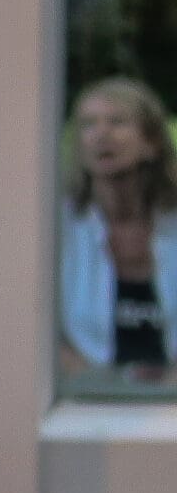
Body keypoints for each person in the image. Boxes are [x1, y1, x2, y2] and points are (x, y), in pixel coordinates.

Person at [63, 75, 177, 380]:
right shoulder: (60, 231)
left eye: (117, 122)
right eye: (89, 124)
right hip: (86, 400)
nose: (102, 134)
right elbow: (36, 335)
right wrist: (98, 386)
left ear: (151, 143)